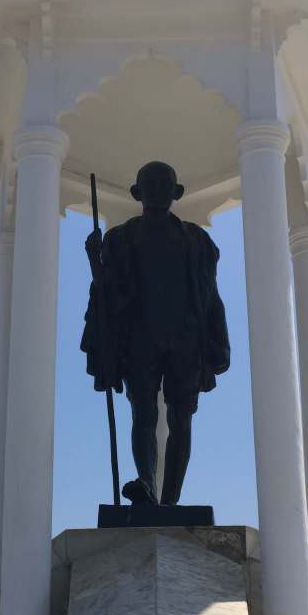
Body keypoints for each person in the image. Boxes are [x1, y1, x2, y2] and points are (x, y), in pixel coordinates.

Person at [82, 161, 230, 505]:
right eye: (151, 184)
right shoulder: (120, 239)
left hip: (186, 339)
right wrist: (94, 261)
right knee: (143, 413)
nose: (158, 190)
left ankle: (169, 501)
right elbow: (110, 294)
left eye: (165, 184)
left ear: (177, 192)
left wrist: (218, 341)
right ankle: (147, 485)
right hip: (140, 338)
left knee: (181, 417)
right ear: (137, 193)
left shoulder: (197, 241)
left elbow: (210, 296)